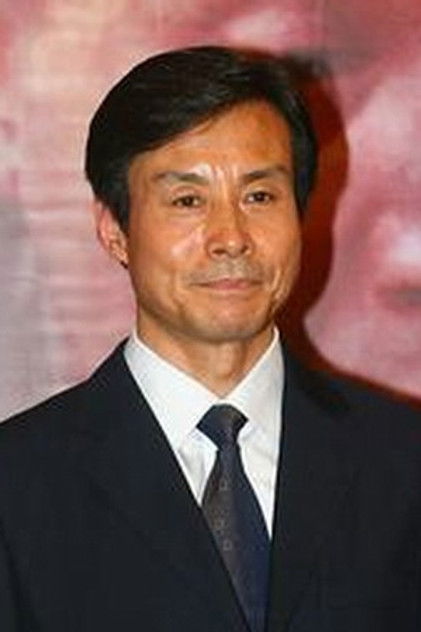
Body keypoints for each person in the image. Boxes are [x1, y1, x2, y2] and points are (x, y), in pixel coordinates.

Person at [0, 46, 420, 632]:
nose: (230, 237)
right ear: (114, 229)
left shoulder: (403, 462)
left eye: (259, 196)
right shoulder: (17, 484)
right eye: (188, 200)